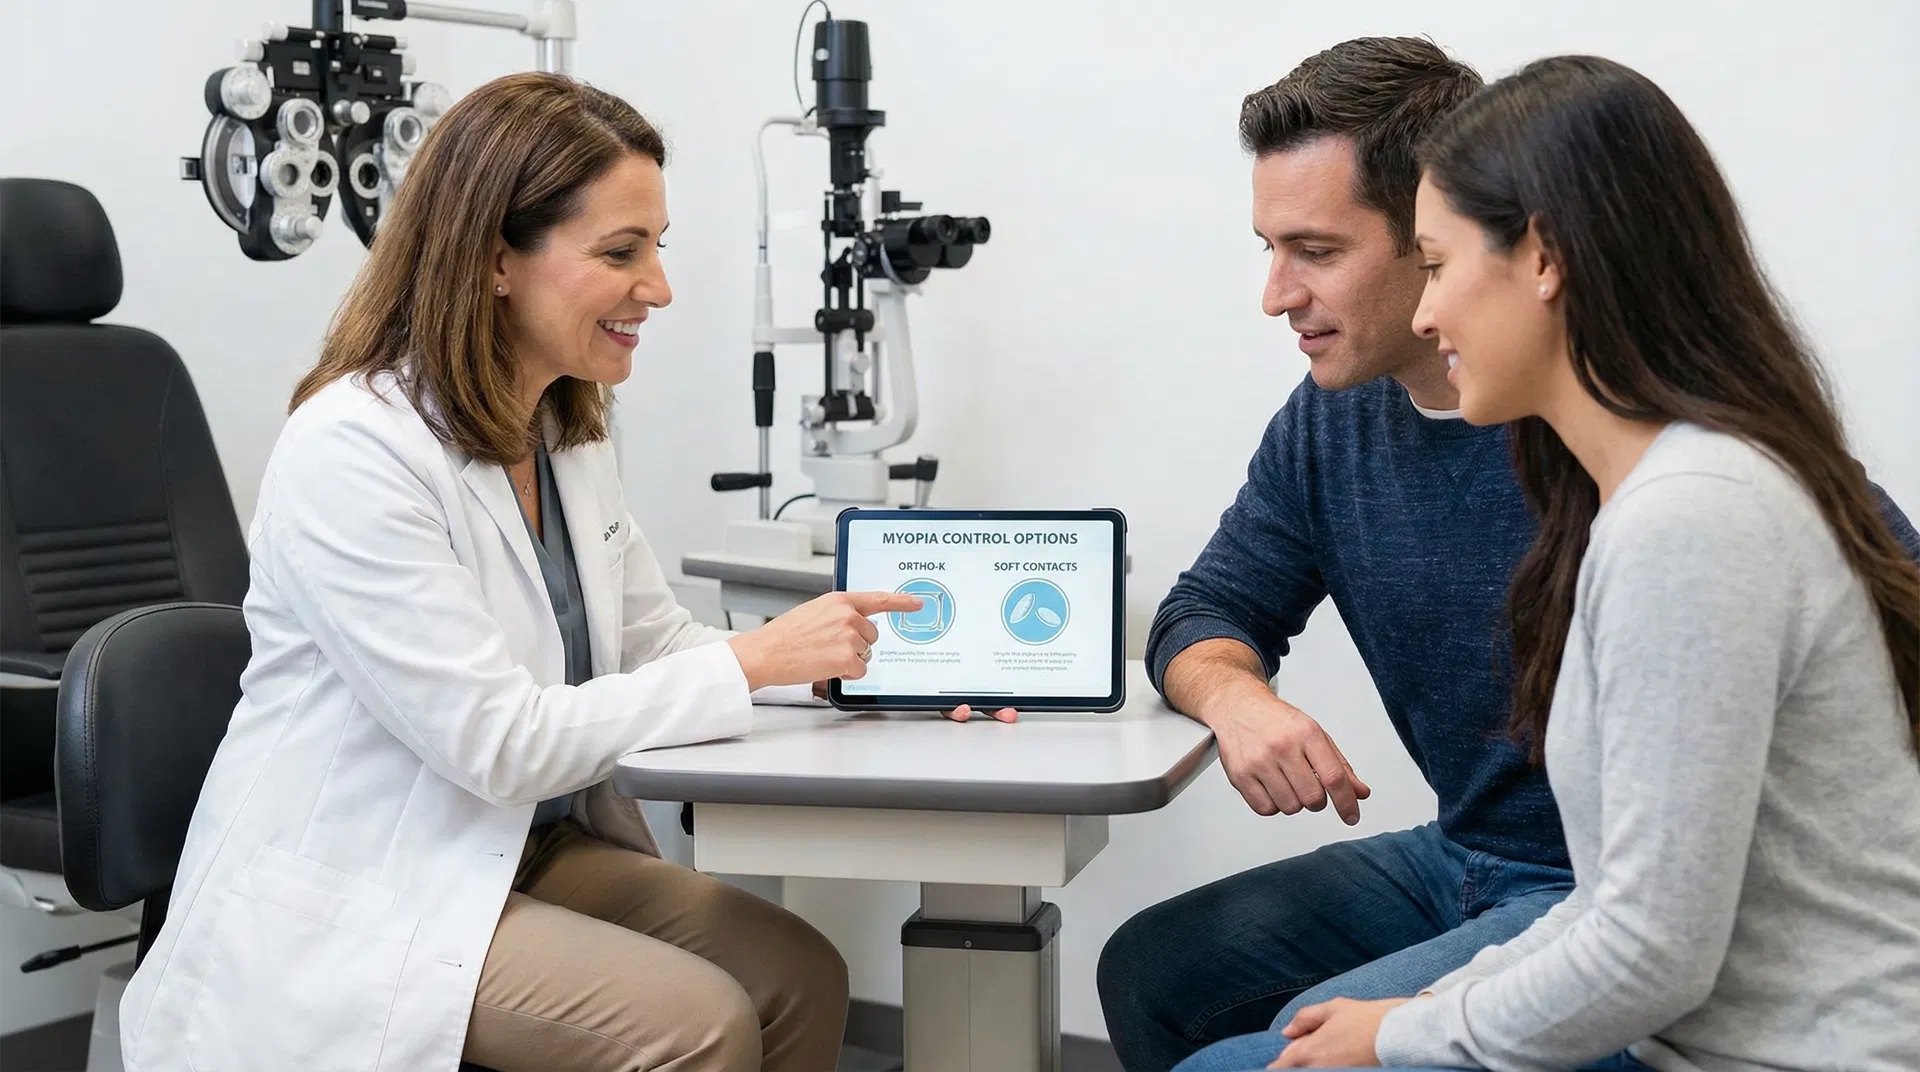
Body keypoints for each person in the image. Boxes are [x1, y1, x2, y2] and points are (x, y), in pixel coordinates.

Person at [1094, 38, 1920, 1072]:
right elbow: (1207, 607)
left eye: (1322, 250)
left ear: (1535, 256)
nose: (1274, 295)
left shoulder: (1679, 500)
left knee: (1287, 1040)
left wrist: (1399, 1025)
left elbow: (1650, 933)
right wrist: (1236, 697)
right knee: (1163, 971)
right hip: (1507, 873)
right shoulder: (1600, 472)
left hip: (1650, 938)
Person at [117, 72, 928, 1072]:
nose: (660, 288)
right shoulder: (354, 448)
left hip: (522, 850)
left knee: (799, 974)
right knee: (697, 1022)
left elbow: (657, 645)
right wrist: (754, 662)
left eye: (657, 249)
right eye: (620, 253)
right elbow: (496, 741)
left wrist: (850, 667)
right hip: (374, 880)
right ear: (497, 259)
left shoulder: (565, 429)